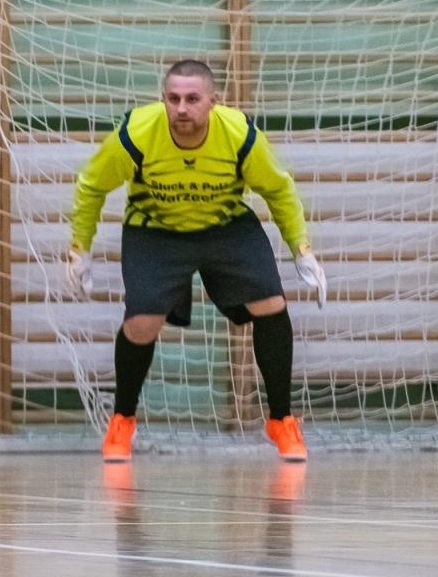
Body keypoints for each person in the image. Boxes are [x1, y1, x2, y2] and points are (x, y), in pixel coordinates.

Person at [64, 59, 327, 463]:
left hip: (224, 224)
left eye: (192, 99)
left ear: (213, 102)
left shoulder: (239, 135)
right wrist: (79, 249)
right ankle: (122, 420)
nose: (181, 108)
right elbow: (91, 186)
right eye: (173, 99)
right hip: (155, 228)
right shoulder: (135, 134)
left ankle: (281, 420)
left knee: (271, 304)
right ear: (162, 100)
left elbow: (279, 189)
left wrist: (302, 249)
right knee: (142, 321)